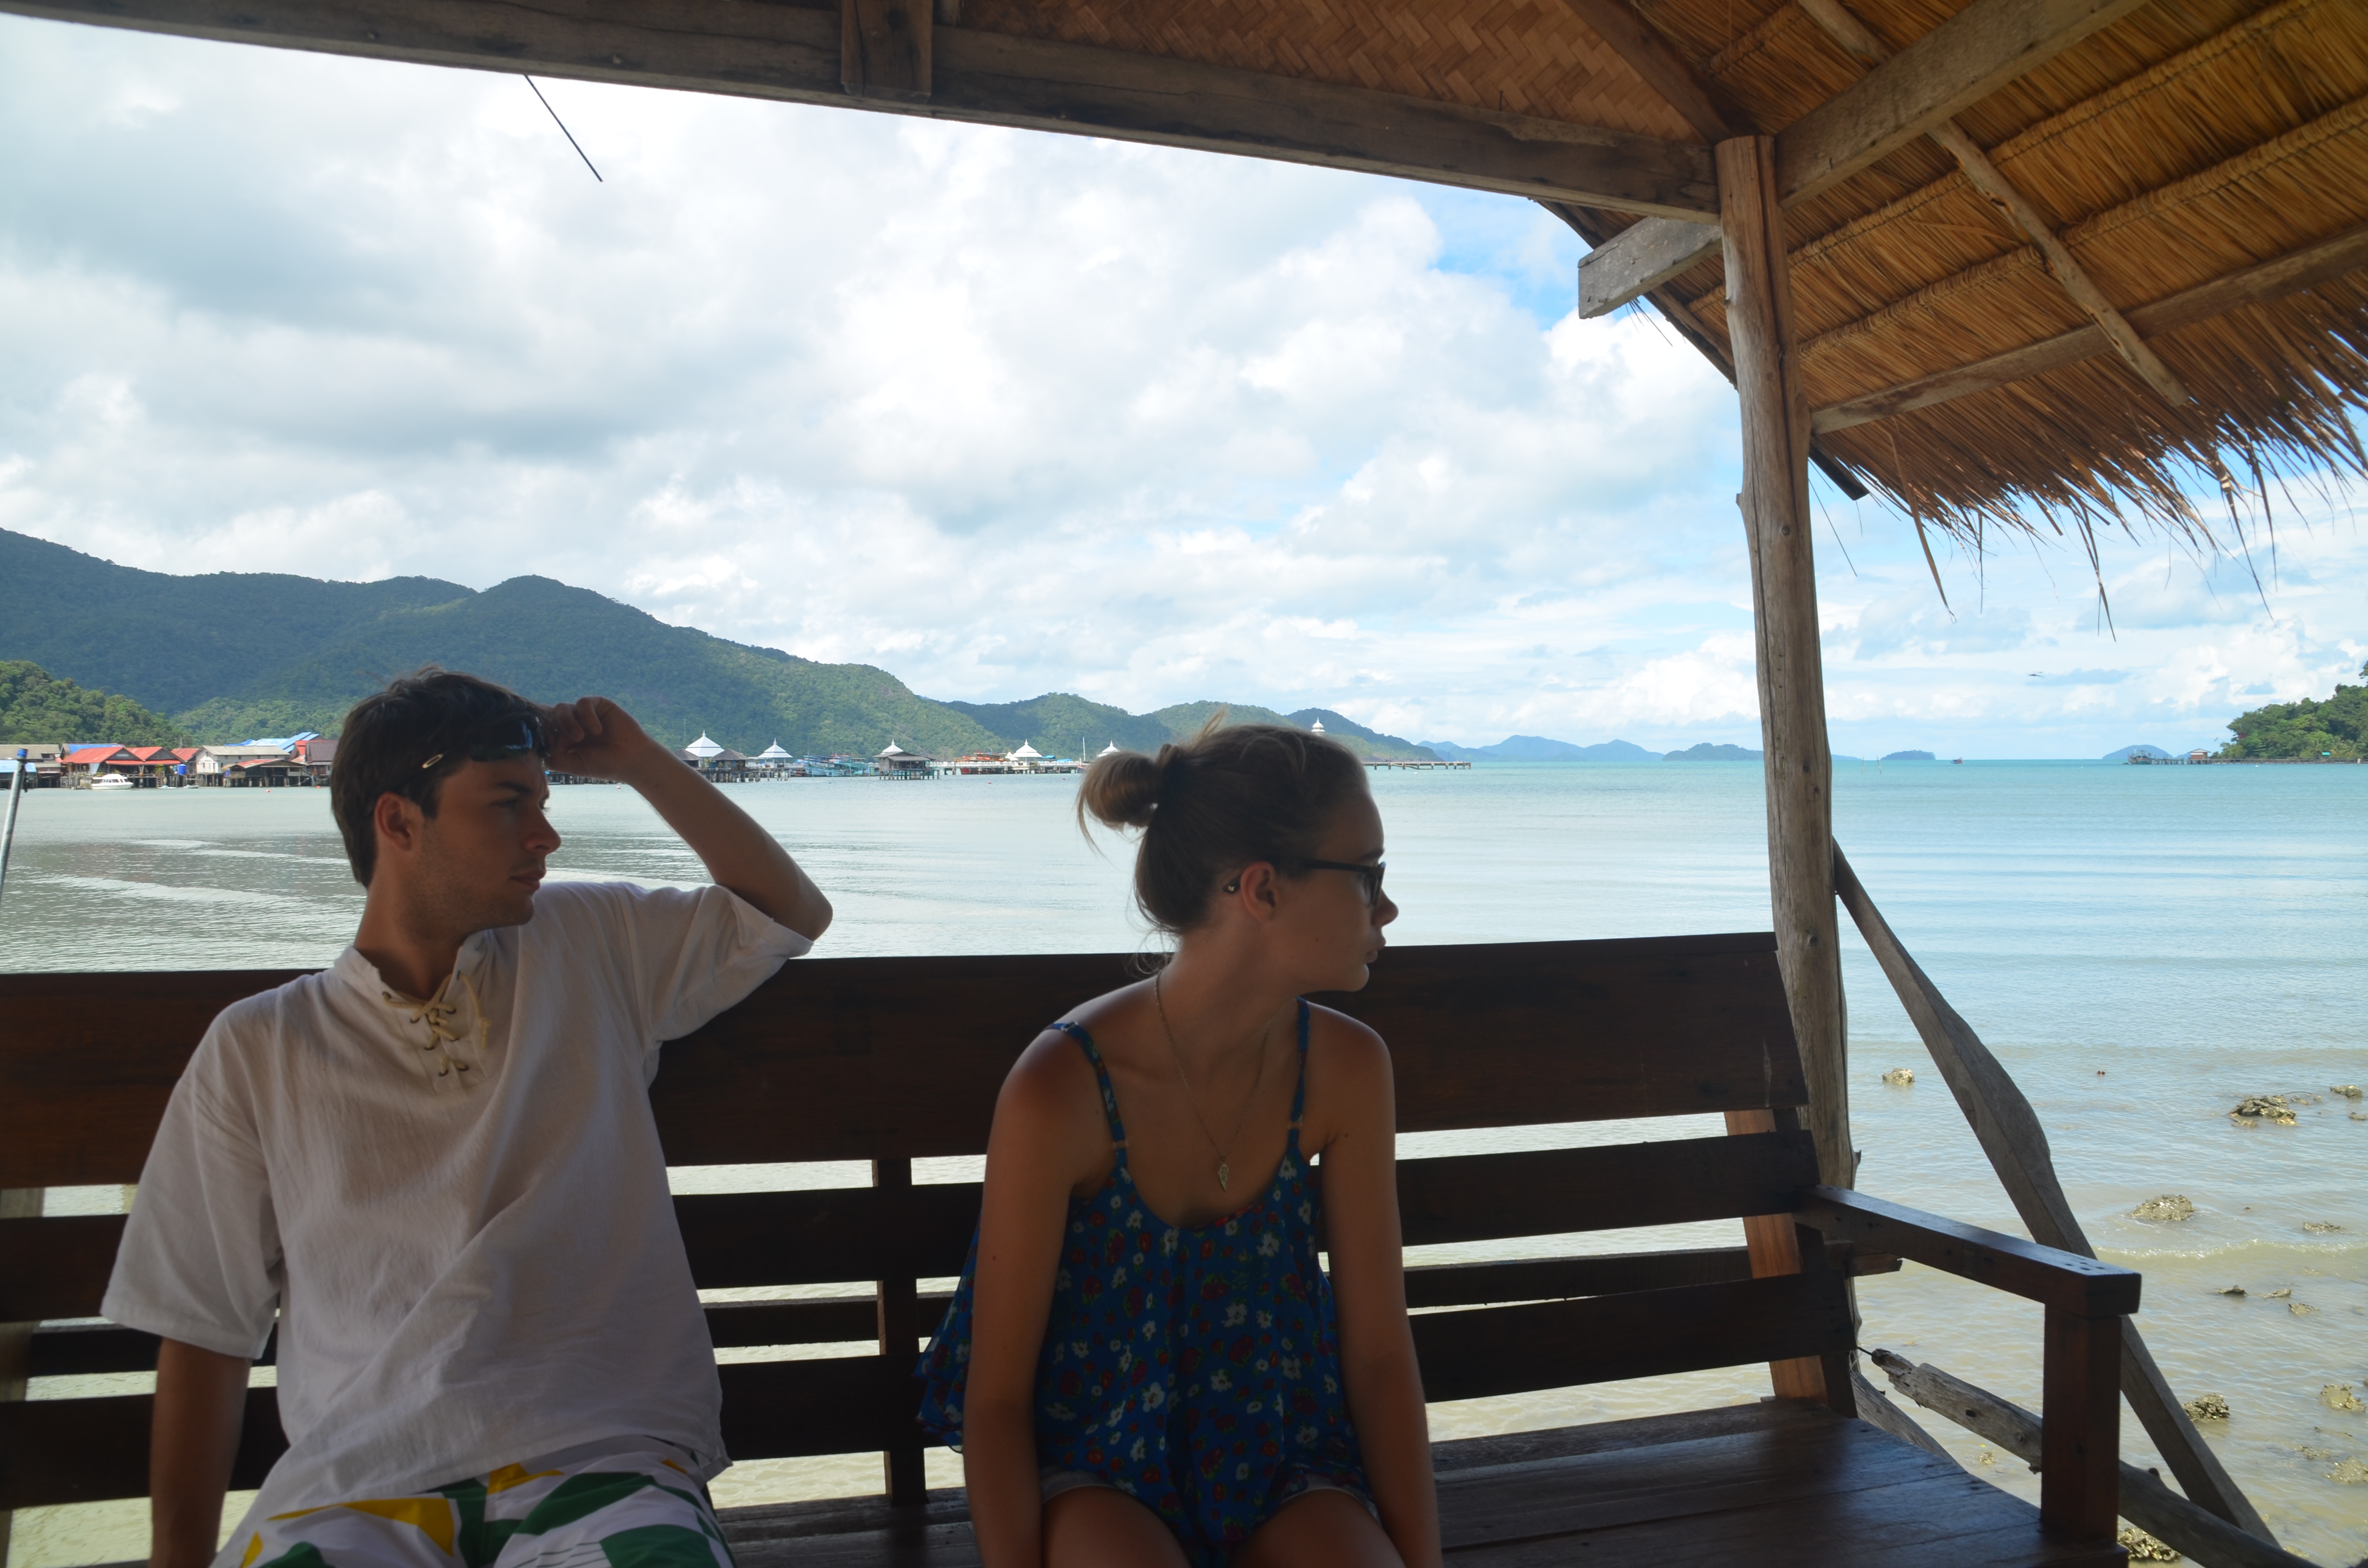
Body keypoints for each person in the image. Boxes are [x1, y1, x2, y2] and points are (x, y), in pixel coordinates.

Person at [103, 669, 833, 1568]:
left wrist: (640, 762)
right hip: (352, 1492)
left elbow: (789, 913)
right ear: (399, 822)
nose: (546, 835)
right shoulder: (262, 1046)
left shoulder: (589, 940)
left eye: (543, 803)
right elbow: (204, 1327)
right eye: (507, 804)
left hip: (602, 1463)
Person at [915, 720, 1441, 1568]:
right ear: (1262, 890)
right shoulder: (1063, 1088)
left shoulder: (1346, 1068)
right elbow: (998, 1401)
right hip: (1096, 1468)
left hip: (1284, 1458)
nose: (1387, 908)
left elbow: (1379, 1354)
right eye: (1367, 874)